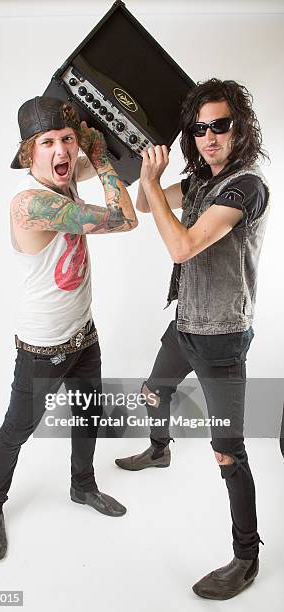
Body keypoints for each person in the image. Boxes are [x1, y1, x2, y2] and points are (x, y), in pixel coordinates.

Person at [115, 79, 270, 599]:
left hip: (223, 337)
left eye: (220, 125)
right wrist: (150, 171)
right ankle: (160, 449)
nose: (209, 137)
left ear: (239, 127)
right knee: (154, 390)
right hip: (186, 324)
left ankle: (246, 559)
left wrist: (157, 185)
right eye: (200, 128)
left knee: (229, 454)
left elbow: (182, 247)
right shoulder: (201, 180)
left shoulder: (245, 187)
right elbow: (143, 200)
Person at [0, 96, 138, 561]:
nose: (59, 151)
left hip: (83, 333)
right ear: (28, 155)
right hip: (42, 347)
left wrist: (97, 144)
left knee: (88, 416)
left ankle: (82, 487)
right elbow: (125, 217)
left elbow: (101, 171)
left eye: (65, 140)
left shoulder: (65, 178)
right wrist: (98, 150)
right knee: (17, 430)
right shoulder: (31, 203)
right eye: (46, 142)